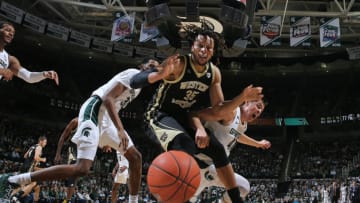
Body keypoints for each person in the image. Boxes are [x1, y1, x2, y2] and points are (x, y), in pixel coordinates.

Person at [130, 26, 263, 202]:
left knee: (217, 149)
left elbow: (219, 111)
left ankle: (235, 199)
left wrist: (242, 96)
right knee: (184, 145)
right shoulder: (179, 64)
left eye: (208, 48)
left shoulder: (213, 73)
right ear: (192, 46)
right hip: (158, 115)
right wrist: (161, 74)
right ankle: (164, 195)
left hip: (183, 118)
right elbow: (134, 82)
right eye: (200, 45)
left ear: (213, 51)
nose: (204, 51)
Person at [1, 58, 163, 203]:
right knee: (82, 168)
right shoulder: (132, 74)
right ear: (144, 67)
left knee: (135, 157)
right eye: (151, 66)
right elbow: (107, 99)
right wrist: (119, 130)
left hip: (106, 121)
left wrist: (106, 138)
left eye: (156, 69)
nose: (153, 69)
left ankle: (132, 201)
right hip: (94, 110)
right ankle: (14, 179)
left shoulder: (139, 88)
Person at [189, 92, 270, 202]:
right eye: (258, 106)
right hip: (201, 164)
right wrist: (200, 129)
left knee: (243, 188)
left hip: (216, 168)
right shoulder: (231, 112)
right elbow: (196, 114)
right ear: (246, 102)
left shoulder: (242, 125)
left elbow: (237, 136)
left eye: (261, 111)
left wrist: (258, 144)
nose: (259, 111)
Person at [10, 136, 48, 203]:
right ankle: (16, 197)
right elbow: (36, 158)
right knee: (33, 183)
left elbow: (25, 156)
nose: (45, 144)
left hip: (25, 165)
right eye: (45, 142)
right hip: (29, 167)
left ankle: (13, 197)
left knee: (37, 186)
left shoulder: (32, 146)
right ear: (41, 141)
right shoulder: (39, 147)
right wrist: (43, 159)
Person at [53, 117, 79, 203]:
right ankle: (67, 200)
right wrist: (58, 154)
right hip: (71, 148)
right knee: (71, 175)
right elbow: (63, 137)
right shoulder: (75, 121)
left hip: (81, 150)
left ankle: (67, 200)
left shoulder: (92, 122)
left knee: (73, 177)